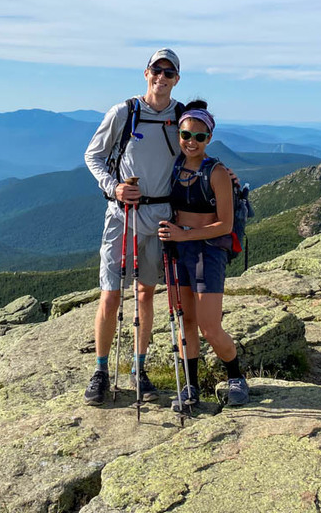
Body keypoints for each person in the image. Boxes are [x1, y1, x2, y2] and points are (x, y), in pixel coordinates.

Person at [82, 48, 184, 405]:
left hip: (161, 219)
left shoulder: (182, 117)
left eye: (169, 73)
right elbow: (93, 155)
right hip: (122, 215)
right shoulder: (125, 113)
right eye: (157, 70)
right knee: (110, 295)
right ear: (146, 73)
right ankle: (100, 372)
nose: (162, 77)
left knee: (145, 294)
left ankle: (138, 371)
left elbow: (197, 155)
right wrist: (114, 187)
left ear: (176, 80)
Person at [158, 102, 249, 408]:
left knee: (209, 326)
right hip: (177, 250)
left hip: (208, 252)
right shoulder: (173, 166)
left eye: (199, 136)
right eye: (186, 134)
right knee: (187, 323)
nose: (191, 141)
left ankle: (236, 376)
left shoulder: (218, 172)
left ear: (209, 137)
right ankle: (191, 386)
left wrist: (185, 234)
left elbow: (225, 223)